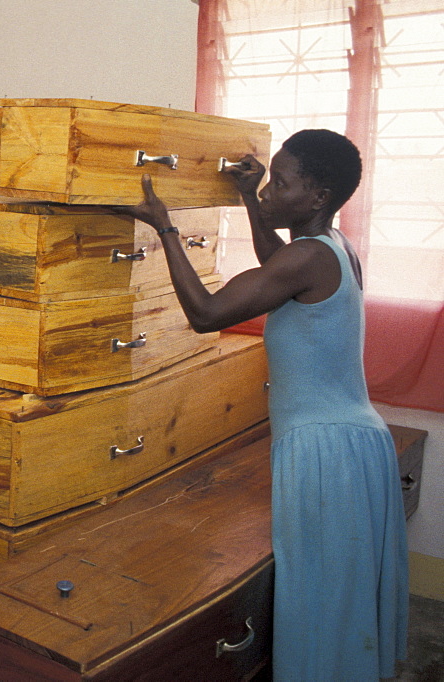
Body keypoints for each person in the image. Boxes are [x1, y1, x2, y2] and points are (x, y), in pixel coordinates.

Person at [120, 129, 408, 680]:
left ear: (318, 196)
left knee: (318, 594)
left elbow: (205, 313)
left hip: (325, 451)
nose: (270, 188)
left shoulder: (307, 258)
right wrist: (252, 199)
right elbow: (276, 264)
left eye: (280, 181)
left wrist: (164, 227)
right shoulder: (333, 247)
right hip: (357, 443)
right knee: (340, 595)